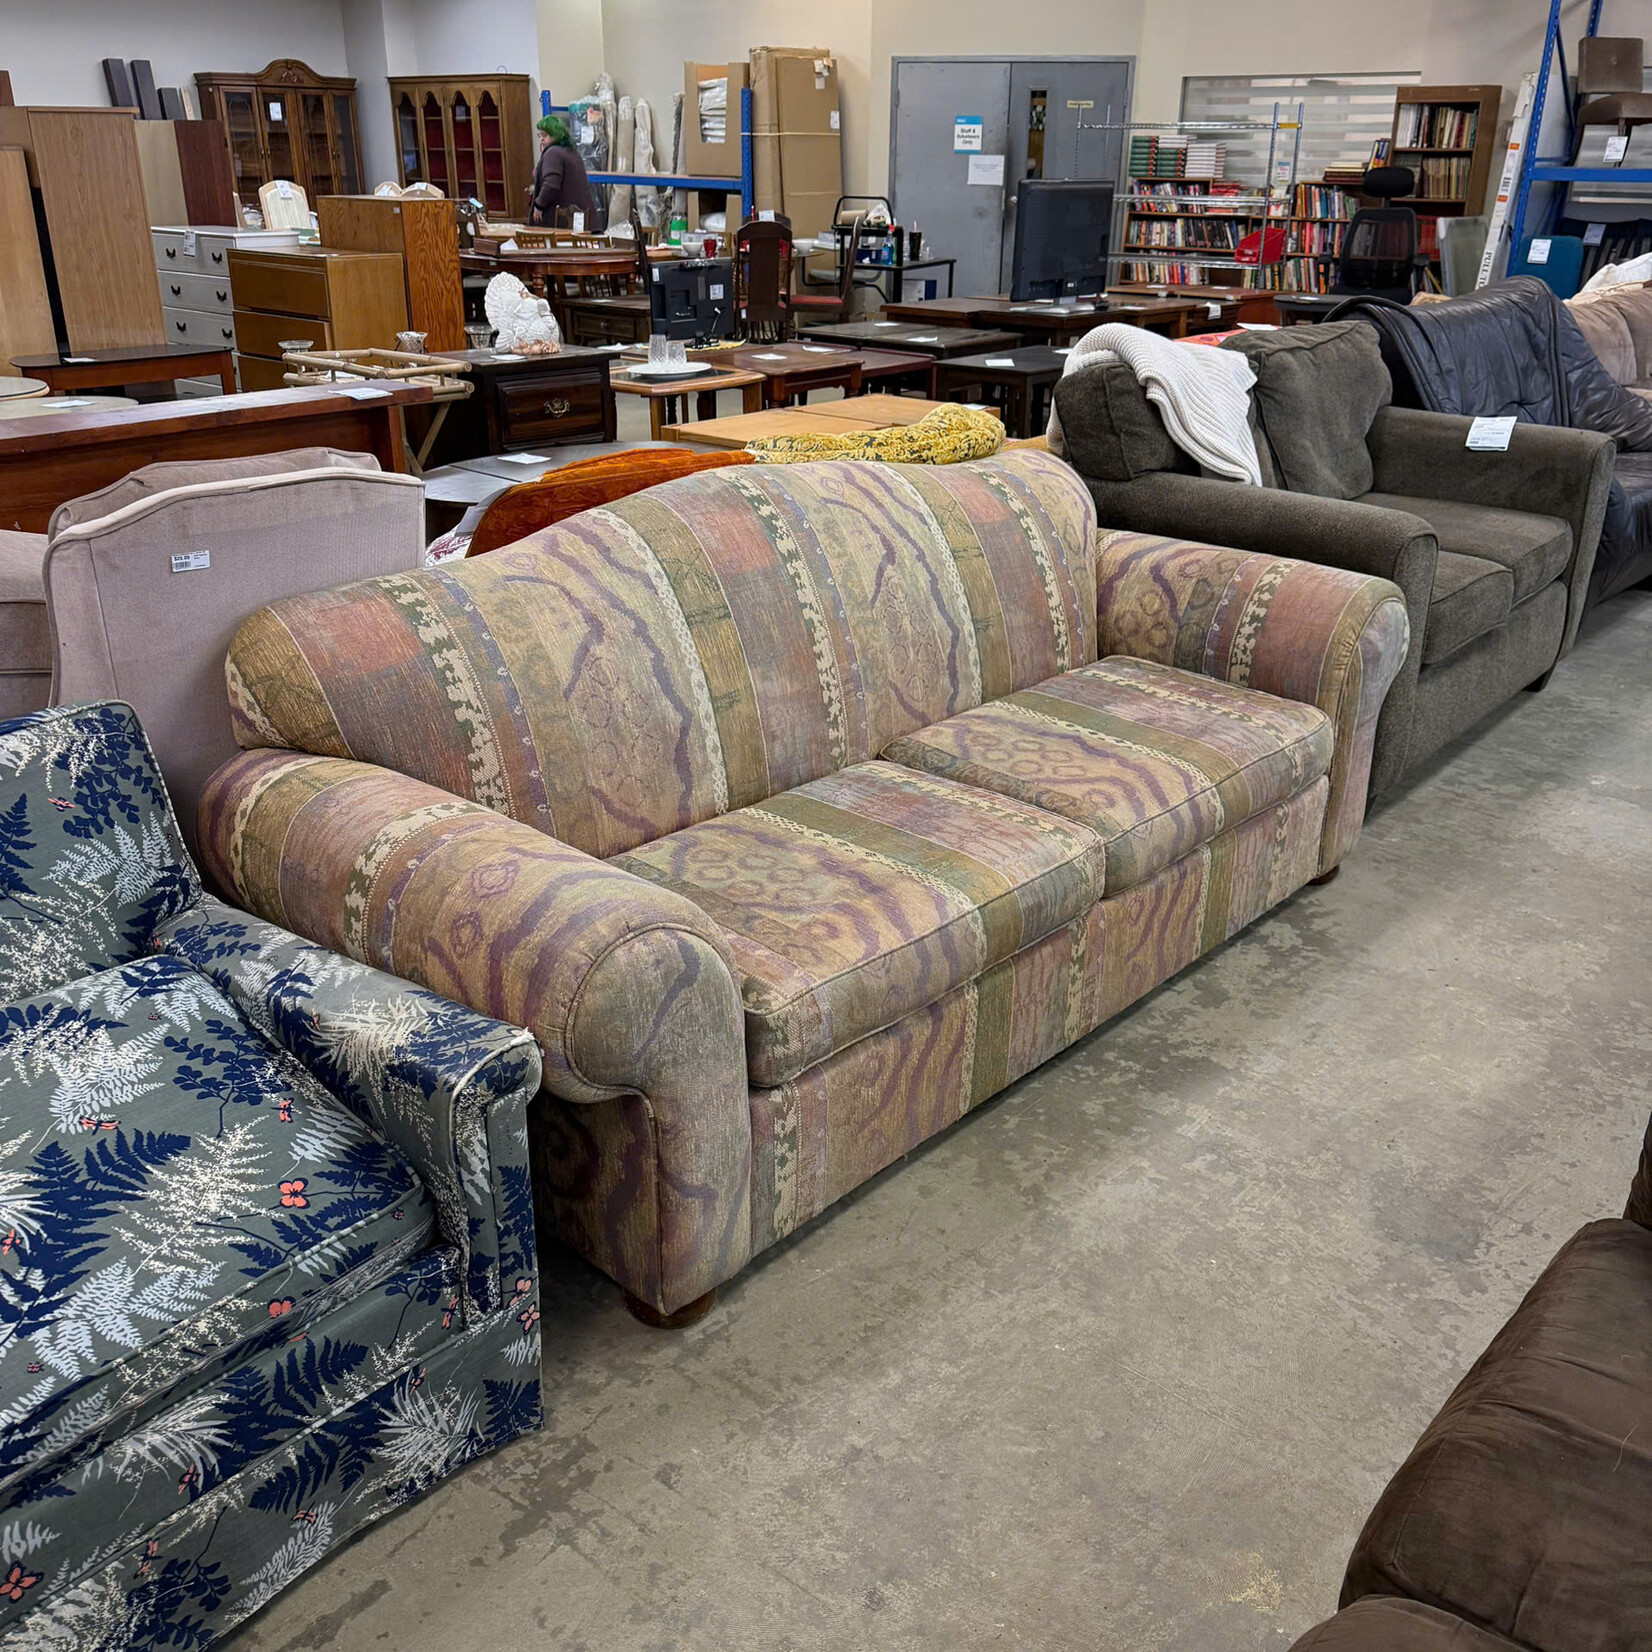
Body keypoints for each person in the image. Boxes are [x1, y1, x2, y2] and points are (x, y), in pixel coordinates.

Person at [529, 115, 594, 226]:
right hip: (580, 220)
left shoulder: (553, 153)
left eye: (545, 135)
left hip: (559, 221)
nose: (541, 139)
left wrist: (539, 205)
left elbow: (551, 185)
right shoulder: (571, 152)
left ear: (556, 135)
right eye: (540, 135)